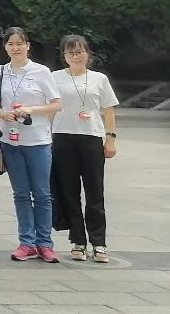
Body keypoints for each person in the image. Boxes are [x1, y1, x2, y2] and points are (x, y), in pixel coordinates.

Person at [0, 27, 63, 263]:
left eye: (19, 43)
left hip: (38, 140)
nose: (15, 48)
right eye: (10, 44)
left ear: (28, 46)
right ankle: (27, 242)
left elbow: (56, 104)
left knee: (42, 194)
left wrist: (31, 109)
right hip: (10, 140)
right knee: (21, 194)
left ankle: (45, 243)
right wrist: (3, 114)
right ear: (5, 47)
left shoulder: (41, 72)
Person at [51, 34, 118, 263]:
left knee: (95, 192)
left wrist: (110, 138)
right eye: (70, 53)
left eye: (79, 52)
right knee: (69, 192)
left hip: (91, 138)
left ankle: (99, 242)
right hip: (62, 137)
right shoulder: (55, 77)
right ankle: (78, 240)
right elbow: (50, 108)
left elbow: (108, 111)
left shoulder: (99, 78)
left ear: (88, 53)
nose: (75, 56)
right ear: (64, 56)